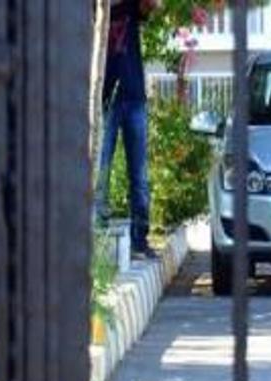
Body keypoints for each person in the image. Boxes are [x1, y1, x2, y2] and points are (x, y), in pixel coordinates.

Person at [96, 0, 160, 261]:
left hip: (134, 99)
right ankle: (97, 235)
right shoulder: (96, 9)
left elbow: (153, 5)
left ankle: (139, 241)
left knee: (139, 175)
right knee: (100, 169)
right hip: (104, 100)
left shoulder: (132, 6)